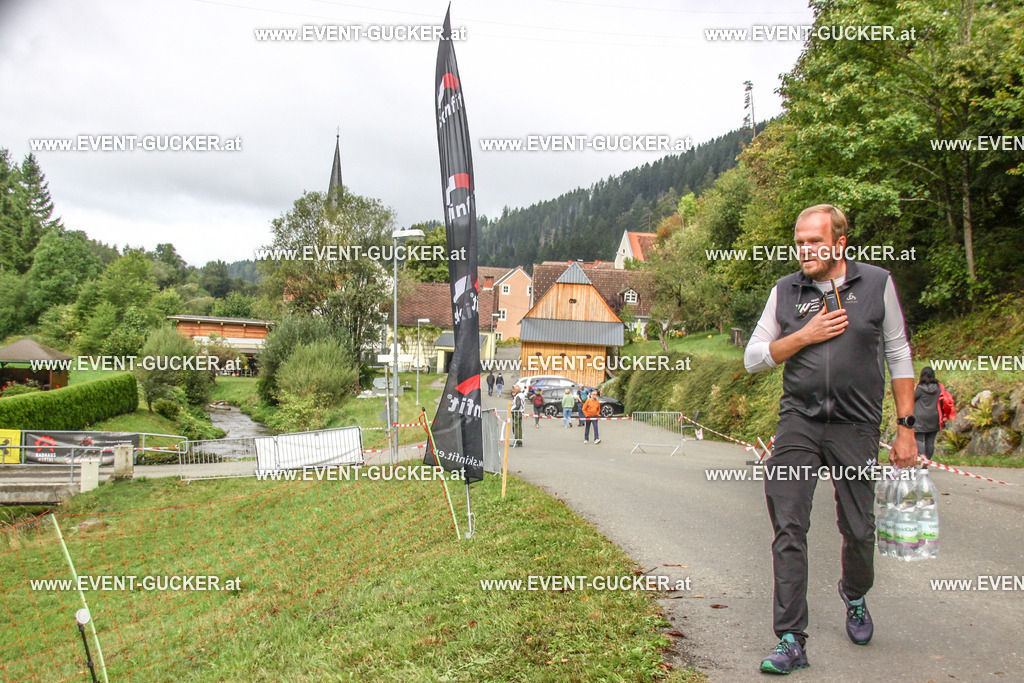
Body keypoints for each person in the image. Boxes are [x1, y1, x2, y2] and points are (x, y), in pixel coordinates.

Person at [743, 204, 916, 674]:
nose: (805, 250)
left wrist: (906, 428)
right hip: (798, 422)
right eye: (799, 243)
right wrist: (804, 335)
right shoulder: (785, 291)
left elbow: (899, 354)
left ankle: (854, 594)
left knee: (859, 529)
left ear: (840, 243)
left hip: (856, 425)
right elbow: (753, 357)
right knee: (789, 525)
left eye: (815, 242)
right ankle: (790, 639)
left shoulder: (876, 283)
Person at [914, 366, 952, 459]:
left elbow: (911, 398)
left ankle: (922, 455)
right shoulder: (939, 387)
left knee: (918, 439)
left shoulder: (920, 388)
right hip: (935, 417)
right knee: (930, 441)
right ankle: (926, 462)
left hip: (920, 418)